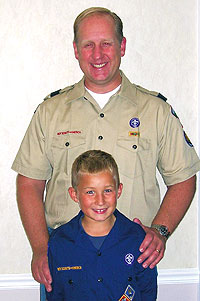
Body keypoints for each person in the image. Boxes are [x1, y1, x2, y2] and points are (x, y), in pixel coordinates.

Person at [12, 6, 200, 300]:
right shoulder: (50, 112)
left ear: (122, 45)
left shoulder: (155, 111)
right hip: (63, 261)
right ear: (76, 50)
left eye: (106, 43)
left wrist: (160, 232)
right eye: (88, 45)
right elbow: (29, 183)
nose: (97, 54)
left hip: (131, 260)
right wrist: (39, 248)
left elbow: (184, 178)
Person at [46, 150, 158, 301]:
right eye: (90, 192)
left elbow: (148, 291)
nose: (100, 201)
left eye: (107, 191)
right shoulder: (59, 242)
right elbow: (56, 294)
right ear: (74, 195)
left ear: (119, 190)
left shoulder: (138, 239)